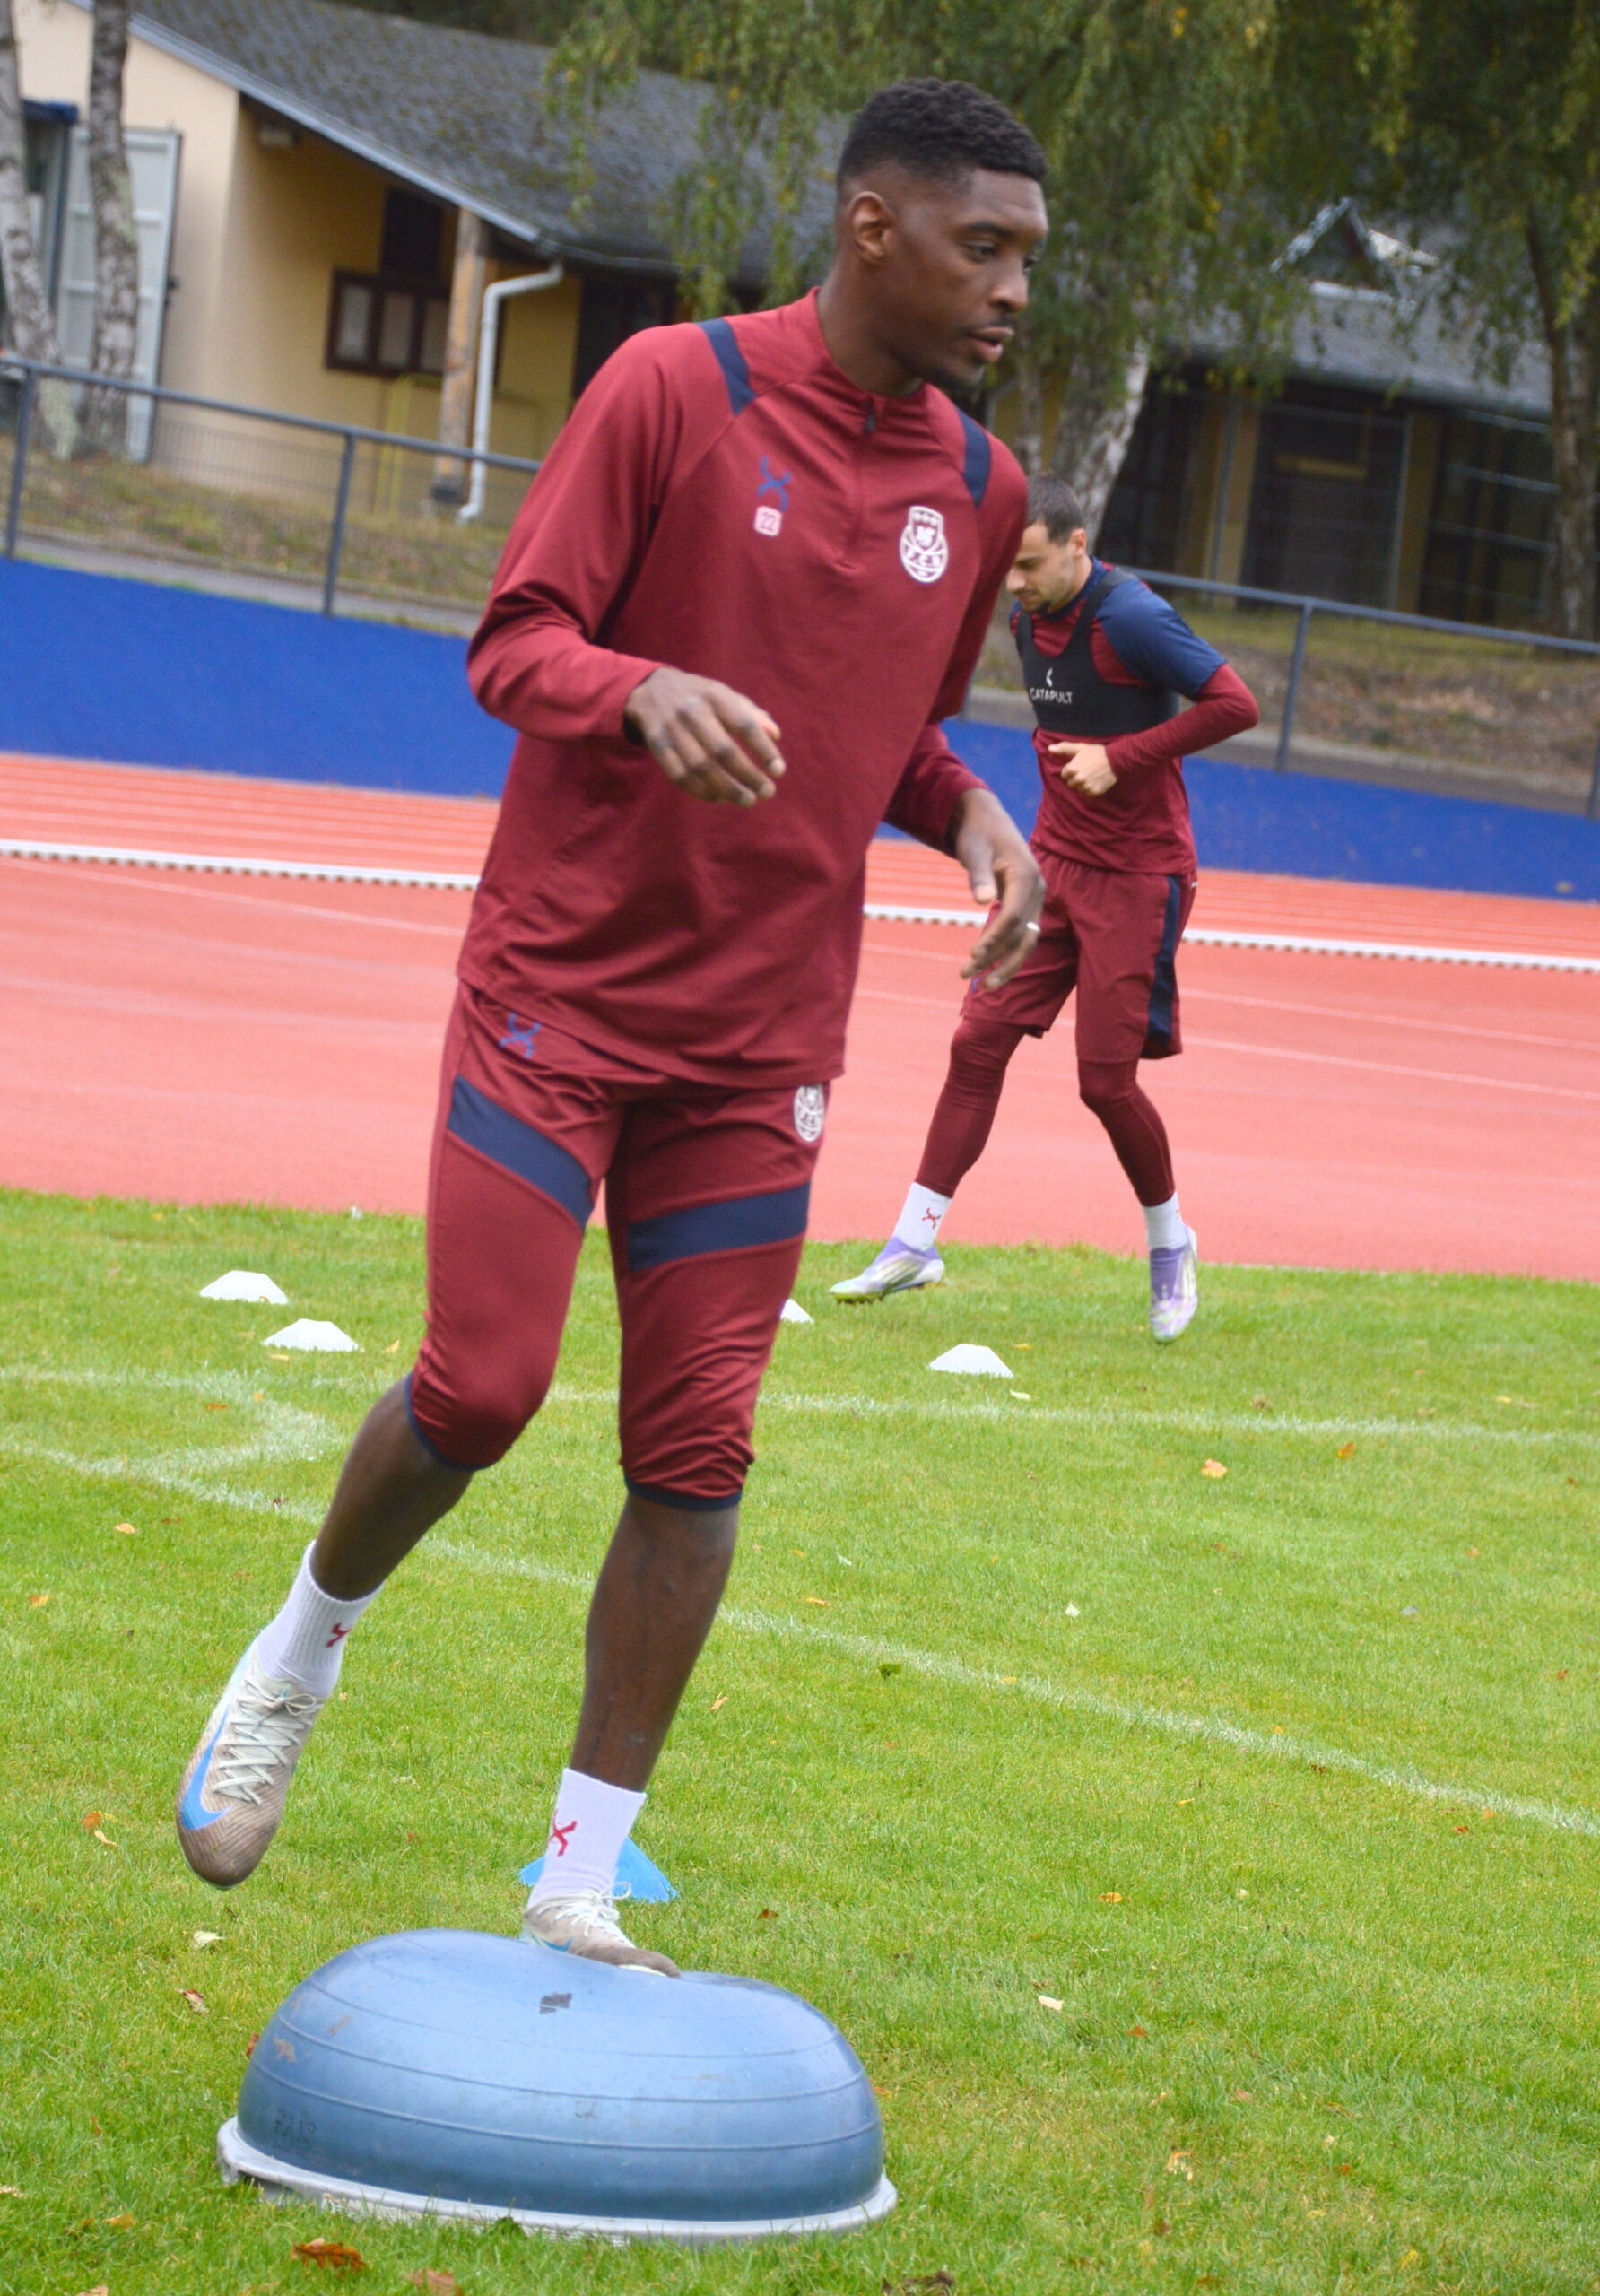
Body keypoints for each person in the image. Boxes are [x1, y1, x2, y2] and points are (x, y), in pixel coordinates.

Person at [175, 81, 1048, 1973]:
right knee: (481, 1391)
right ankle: (296, 1654)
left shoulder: (980, 492)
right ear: (872, 228)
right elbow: (514, 642)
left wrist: (973, 814)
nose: (1012, 290)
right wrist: (637, 690)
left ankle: (578, 1874)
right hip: (557, 995)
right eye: (983, 247)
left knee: (696, 1454)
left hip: (760, 1047)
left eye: (1027, 257)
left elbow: (889, 725)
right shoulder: (671, 388)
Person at [833, 473, 1259, 1339]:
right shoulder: (1026, 617)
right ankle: (915, 1242)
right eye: (1006, 569)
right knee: (975, 1041)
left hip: (1138, 879)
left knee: (1105, 1085)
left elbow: (1235, 704)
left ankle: (1171, 1243)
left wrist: (1123, 757)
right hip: (1052, 867)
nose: (1014, 585)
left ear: (1077, 546)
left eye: (1028, 566)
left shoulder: (1131, 618)